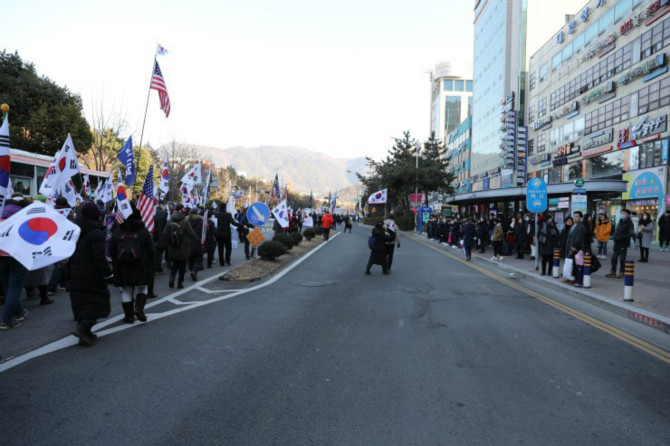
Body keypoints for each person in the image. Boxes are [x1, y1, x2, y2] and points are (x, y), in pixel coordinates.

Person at [67, 202, 113, 345]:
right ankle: (83, 328)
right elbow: (99, 258)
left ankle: (85, 332)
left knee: (81, 301)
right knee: (97, 302)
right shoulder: (95, 233)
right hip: (91, 273)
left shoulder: (73, 229)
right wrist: (108, 274)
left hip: (74, 271)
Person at [110, 206, 155, 324]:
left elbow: (112, 249)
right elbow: (151, 250)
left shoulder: (118, 231)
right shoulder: (144, 231)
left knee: (126, 289)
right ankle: (139, 309)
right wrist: (152, 264)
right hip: (141, 264)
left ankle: (129, 316)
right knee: (143, 287)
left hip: (122, 265)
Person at [0, 194, 30, 330]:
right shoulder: (22, 217)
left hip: (1, 257)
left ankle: (18, 312)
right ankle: (6, 320)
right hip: (17, 257)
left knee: (8, 288)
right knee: (14, 289)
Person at [165, 204, 201, 289]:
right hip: (183, 247)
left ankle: (172, 277)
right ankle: (180, 283)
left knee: (175, 264)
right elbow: (192, 234)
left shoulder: (170, 221)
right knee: (182, 266)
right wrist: (200, 241)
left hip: (172, 247)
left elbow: (165, 233)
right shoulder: (185, 222)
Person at [606, 208, 635, 278]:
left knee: (622, 258)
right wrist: (615, 236)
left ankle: (622, 272)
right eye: (621, 213)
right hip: (616, 243)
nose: (622, 214)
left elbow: (631, 233)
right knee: (614, 258)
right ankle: (613, 272)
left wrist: (621, 237)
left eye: (624, 213)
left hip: (623, 243)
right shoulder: (620, 221)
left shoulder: (629, 223)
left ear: (628, 214)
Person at [187, 208, 206, 281]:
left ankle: (192, 270)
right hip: (198, 242)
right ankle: (194, 271)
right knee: (198, 258)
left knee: (190, 259)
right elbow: (205, 232)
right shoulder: (202, 221)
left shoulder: (186, 221)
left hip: (188, 243)